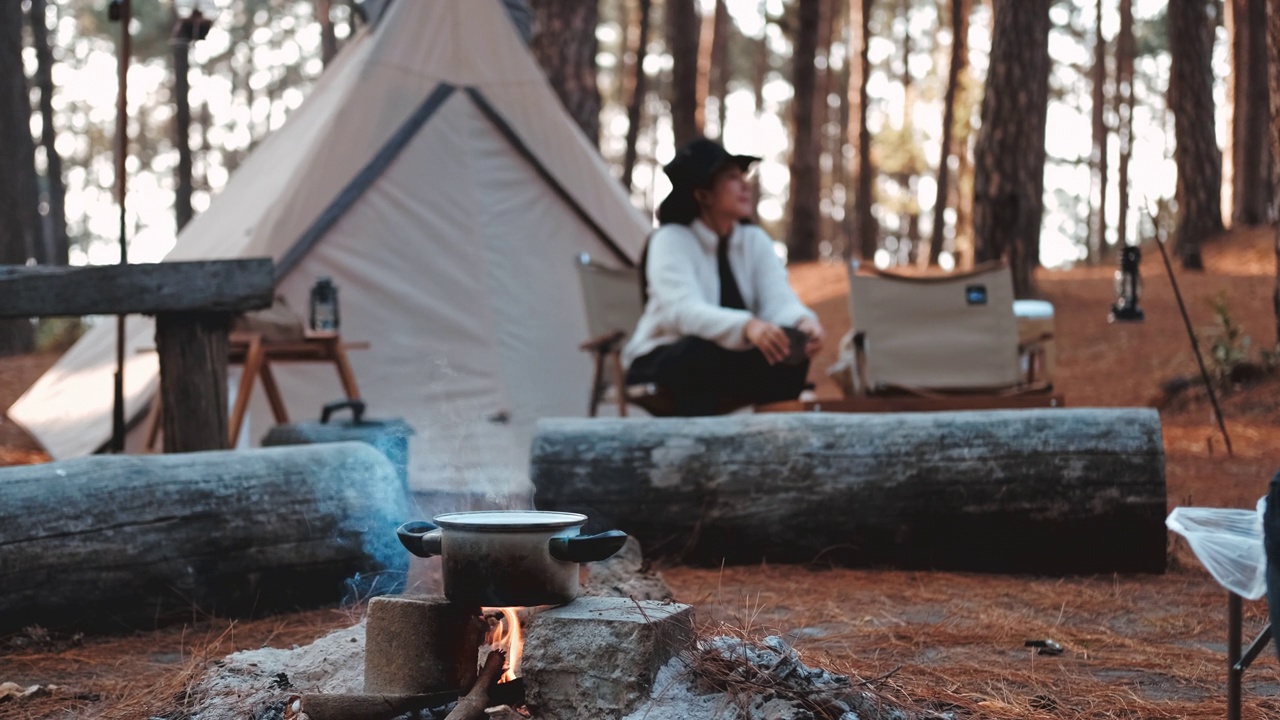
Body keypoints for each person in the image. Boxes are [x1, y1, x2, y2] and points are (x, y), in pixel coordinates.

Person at [622, 138, 825, 416]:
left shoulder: (753, 240)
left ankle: (771, 443)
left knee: (788, 352)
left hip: (725, 361)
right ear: (703, 194)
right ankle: (699, 449)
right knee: (698, 354)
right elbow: (683, 312)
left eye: (743, 177)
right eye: (731, 178)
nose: (745, 185)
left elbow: (777, 299)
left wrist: (802, 322)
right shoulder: (670, 240)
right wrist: (747, 327)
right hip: (666, 358)